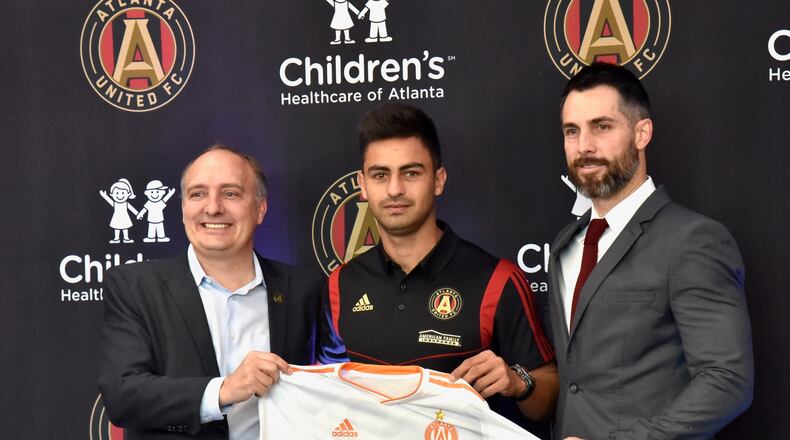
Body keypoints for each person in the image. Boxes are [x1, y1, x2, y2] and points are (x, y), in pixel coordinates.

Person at [323, 102, 558, 437]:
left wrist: (517, 382)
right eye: (380, 175)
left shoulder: (497, 280)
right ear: (363, 184)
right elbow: (325, 394)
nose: (394, 190)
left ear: (438, 180)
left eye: (411, 173)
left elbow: (549, 399)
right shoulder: (340, 284)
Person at [549, 63, 753, 439]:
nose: (584, 146)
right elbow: (578, 381)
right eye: (571, 131)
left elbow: (727, 380)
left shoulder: (692, 240)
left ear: (641, 133)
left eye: (602, 127)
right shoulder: (566, 244)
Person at [98, 145, 345, 439]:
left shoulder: (306, 289)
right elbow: (123, 395)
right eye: (198, 194)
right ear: (183, 208)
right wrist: (223, 390)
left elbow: (334, 390)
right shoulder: (134, 286)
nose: (213, 207)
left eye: (231, 193)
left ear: (260, 209)